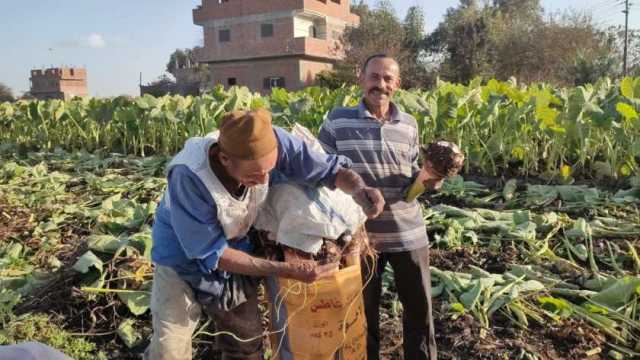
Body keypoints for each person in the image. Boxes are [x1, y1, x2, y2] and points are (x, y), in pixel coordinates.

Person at [144, 108, 384, 360]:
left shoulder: (273, 141)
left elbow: (329, 171)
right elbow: (212, 253)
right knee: (170, 346)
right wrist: (285, 269)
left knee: (244, 340)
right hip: (181, 259)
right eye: (253, 175)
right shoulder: (190, 175)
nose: (262, 180)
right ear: (224, 159)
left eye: (268, 171)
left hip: (236, 248)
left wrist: (359, 189)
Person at [318, 54, 442, 359]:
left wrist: (431, 179)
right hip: (359, 239)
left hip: (408, 234)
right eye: (374, 77)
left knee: (419, 313)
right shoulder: (337, 120)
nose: (380, 84)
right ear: (361, 78)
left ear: (397, 84)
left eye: (388, 79)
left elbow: (411, 182)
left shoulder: (409, 125)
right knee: (361, 314)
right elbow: (321, 173)